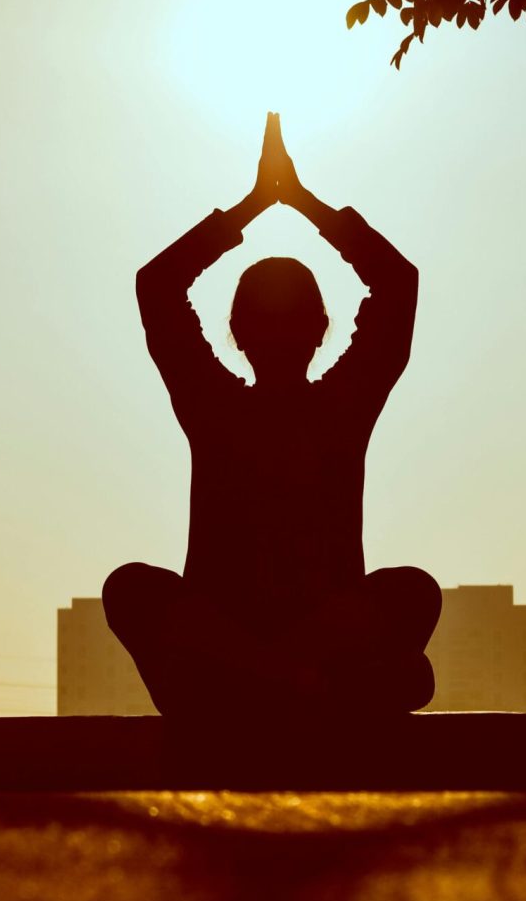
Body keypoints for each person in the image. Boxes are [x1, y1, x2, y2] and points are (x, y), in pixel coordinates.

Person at [103, 113, 441, 717]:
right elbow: (396, 282)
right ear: (322, 330)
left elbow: (158, 287)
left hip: (239, 667)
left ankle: (275, 679)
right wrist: (295, 203)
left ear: (234, 332)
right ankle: (294, 682)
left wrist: (260, 205)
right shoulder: (316, 405)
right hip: (278, 660)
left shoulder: (229, 404)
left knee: (414, 591)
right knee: (130, 588)